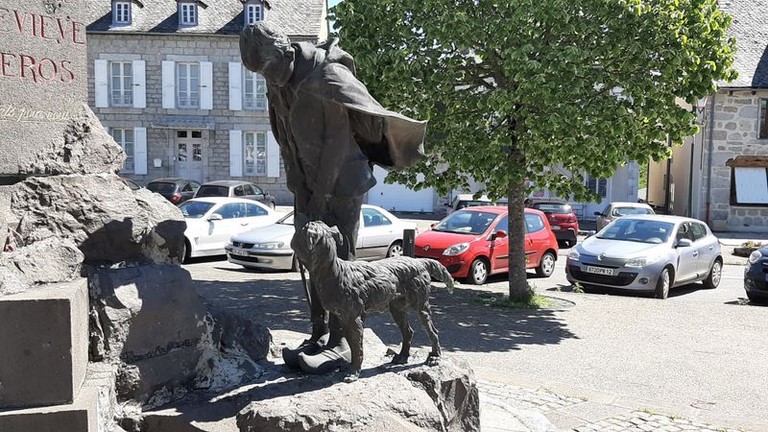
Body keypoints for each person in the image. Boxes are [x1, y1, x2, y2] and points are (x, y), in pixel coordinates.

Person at [240, 22, 427, 374]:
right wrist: (296, 181)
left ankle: (342, 343)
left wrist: (321, 193)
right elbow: (283, 135)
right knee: (310, 257)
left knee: (338, 260)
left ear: (286, 52)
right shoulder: (276, 78)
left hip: (342, 183)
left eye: (270, 70)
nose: (270, 79)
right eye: (262, 74)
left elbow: (338, 141)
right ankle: (319, 333)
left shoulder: (328, 74)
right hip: (307, 181)